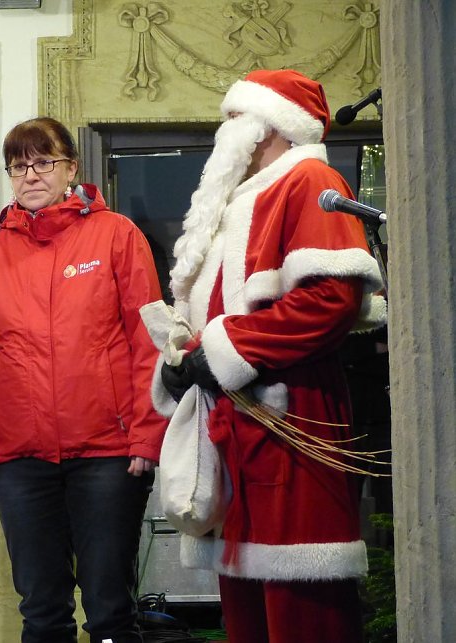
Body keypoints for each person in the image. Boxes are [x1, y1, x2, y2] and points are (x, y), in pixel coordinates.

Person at [152, 69, 386, 643]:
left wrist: (227, 351)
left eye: (235, 117)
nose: (224, 130)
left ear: (269, 124)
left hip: (290, 417)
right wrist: (185, 360)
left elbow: (331, 297)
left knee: (301, 604)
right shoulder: (242, 200)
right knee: (249, 606)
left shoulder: (309, 179)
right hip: (238, 424)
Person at [0, 117, 167, 643]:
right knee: (41, 609)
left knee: (110, 606)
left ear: (70, 167)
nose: (30, 174)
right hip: (21, 461)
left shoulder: (117, 236)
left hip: (109, 453)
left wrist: (147, 435)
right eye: (19, 165)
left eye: (43, 161)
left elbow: (150, 344)